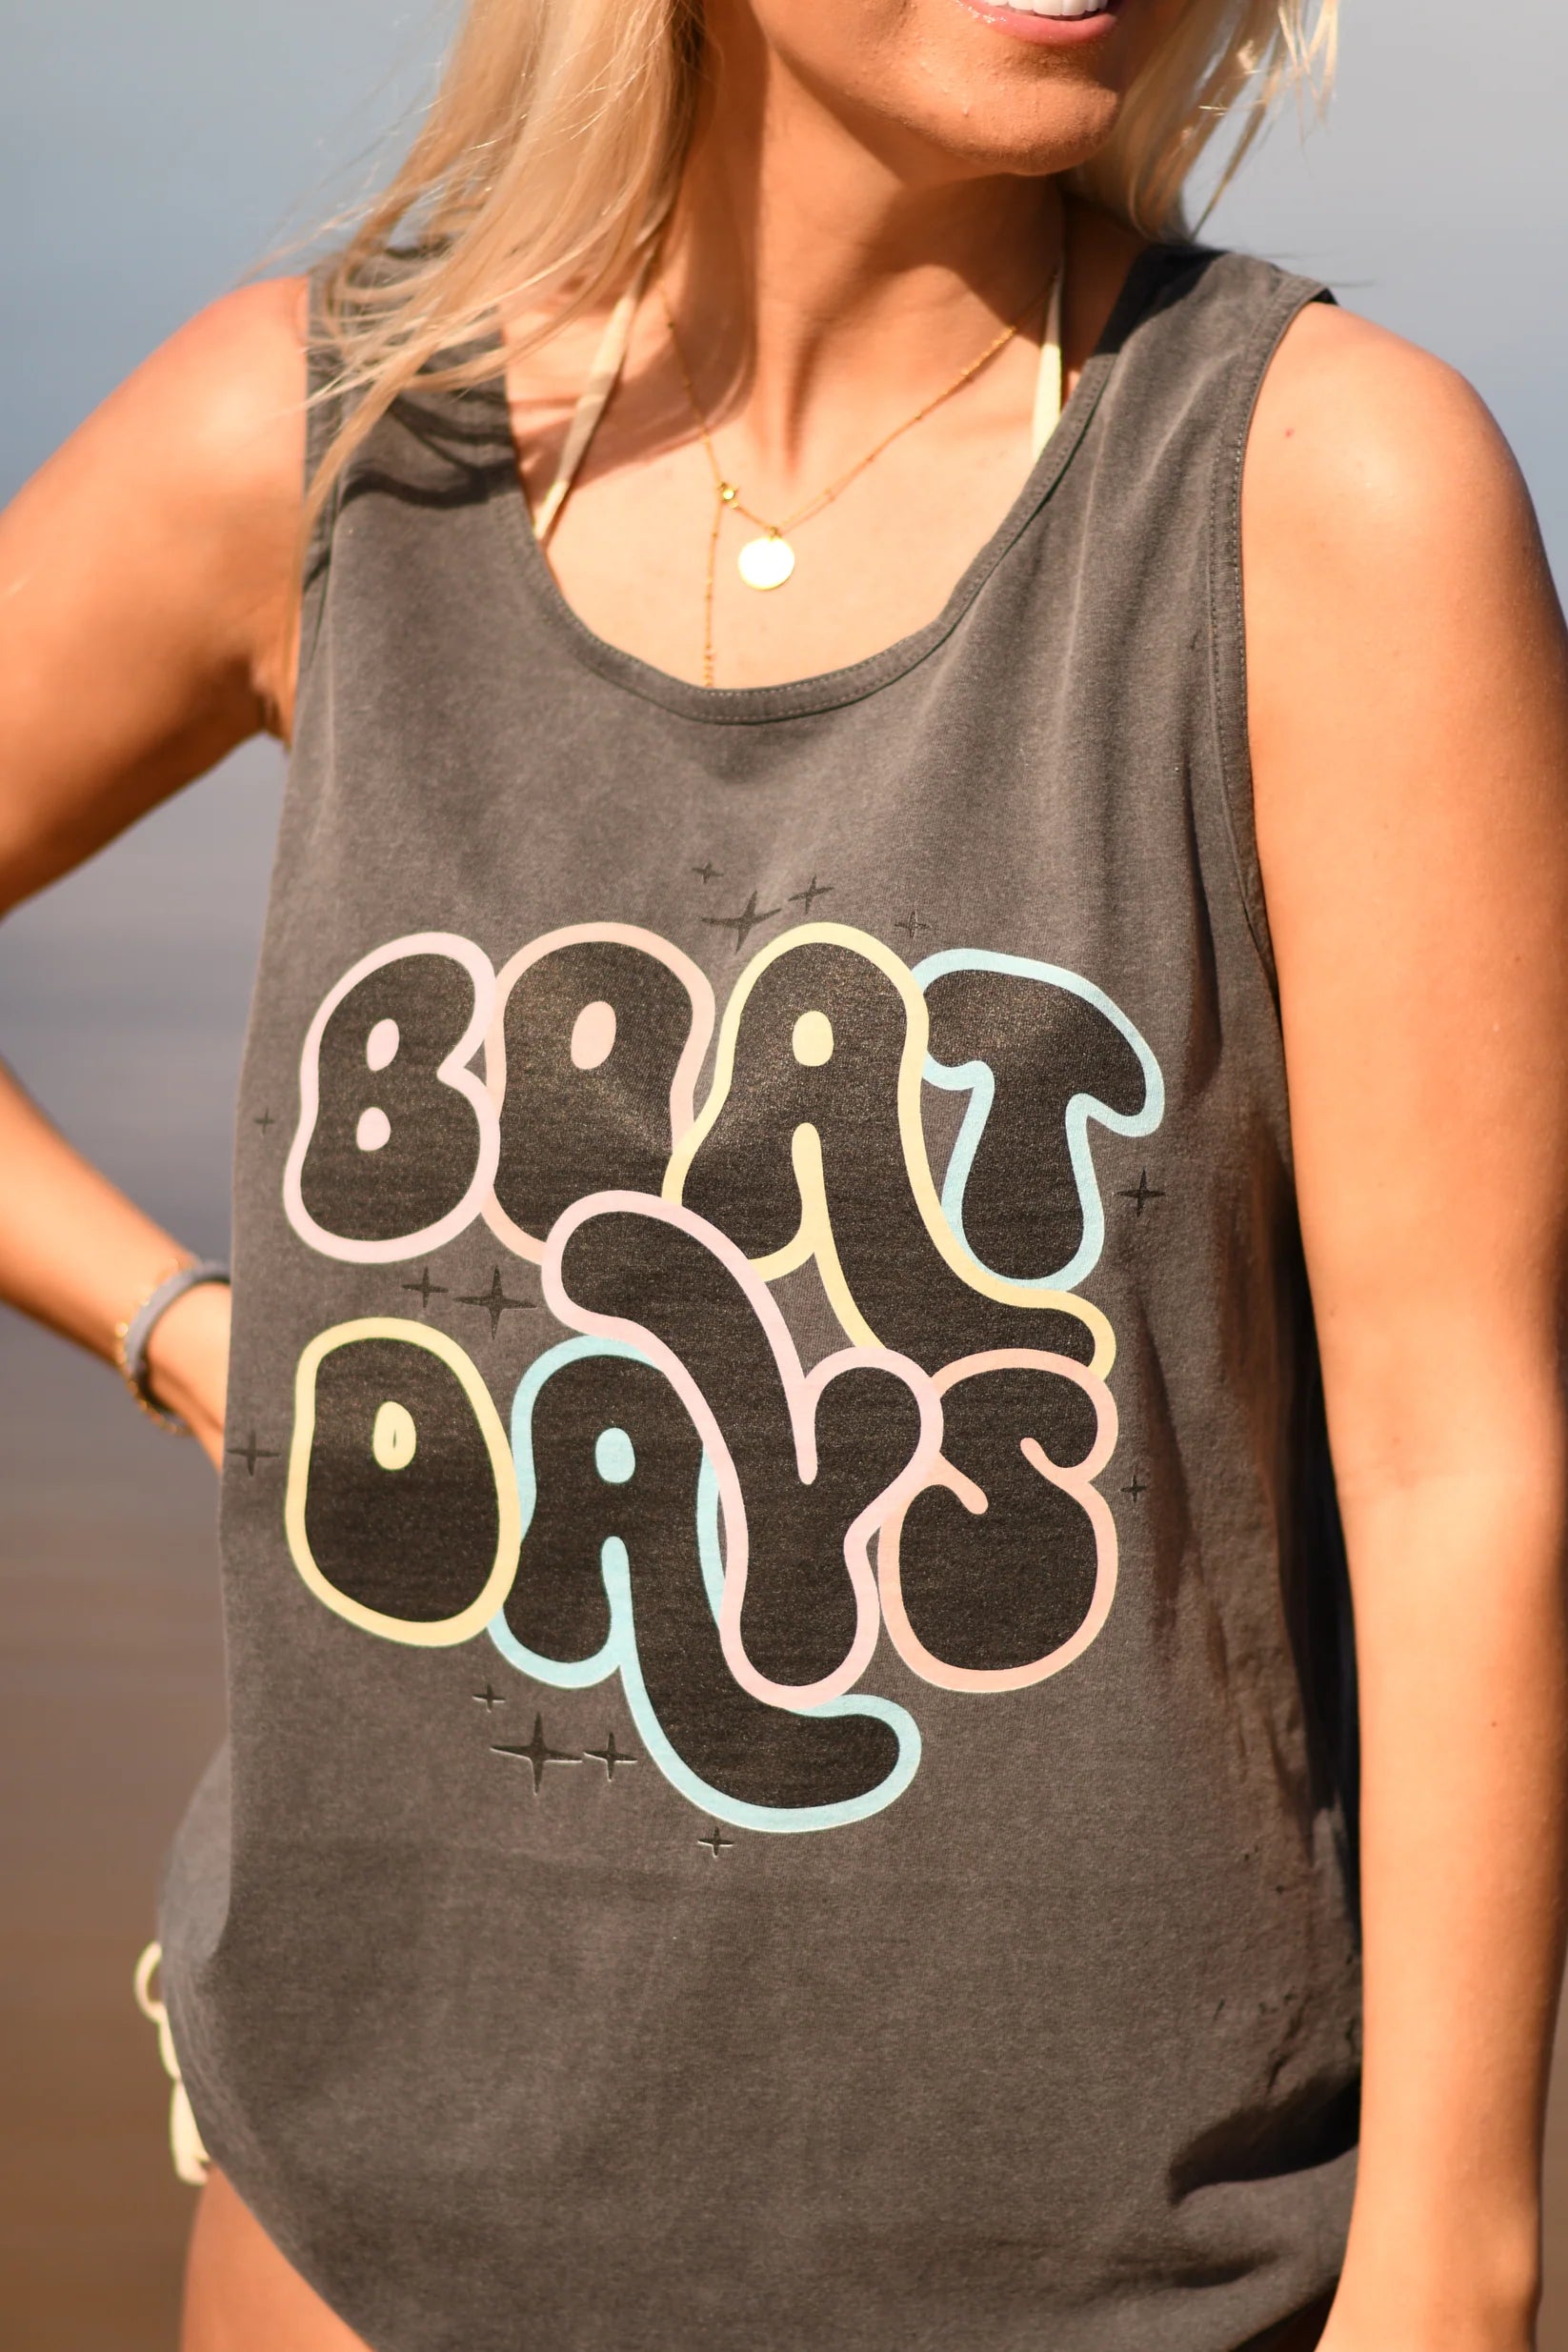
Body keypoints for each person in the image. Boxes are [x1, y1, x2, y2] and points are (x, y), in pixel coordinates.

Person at [3, 0, 1566, 2344]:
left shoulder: (1317, 493)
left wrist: (1450, 2265)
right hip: (355, 2243)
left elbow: (1456, 1457)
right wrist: (181, 1329)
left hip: (1121, 2278)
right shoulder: (329, 446)